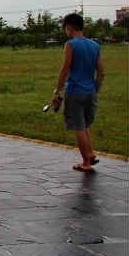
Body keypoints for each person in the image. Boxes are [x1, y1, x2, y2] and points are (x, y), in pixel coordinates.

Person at [50, 13, 105, 172]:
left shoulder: (70, 45)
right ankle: (91, 153)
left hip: (75, 91)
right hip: (90, 92)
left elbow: (65, 69)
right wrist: (95, 90)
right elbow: (101, 72)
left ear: (69, 28)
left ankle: (85, 162)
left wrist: (57, 91)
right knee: (85, 124)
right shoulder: (94, 45)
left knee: (79, 127)